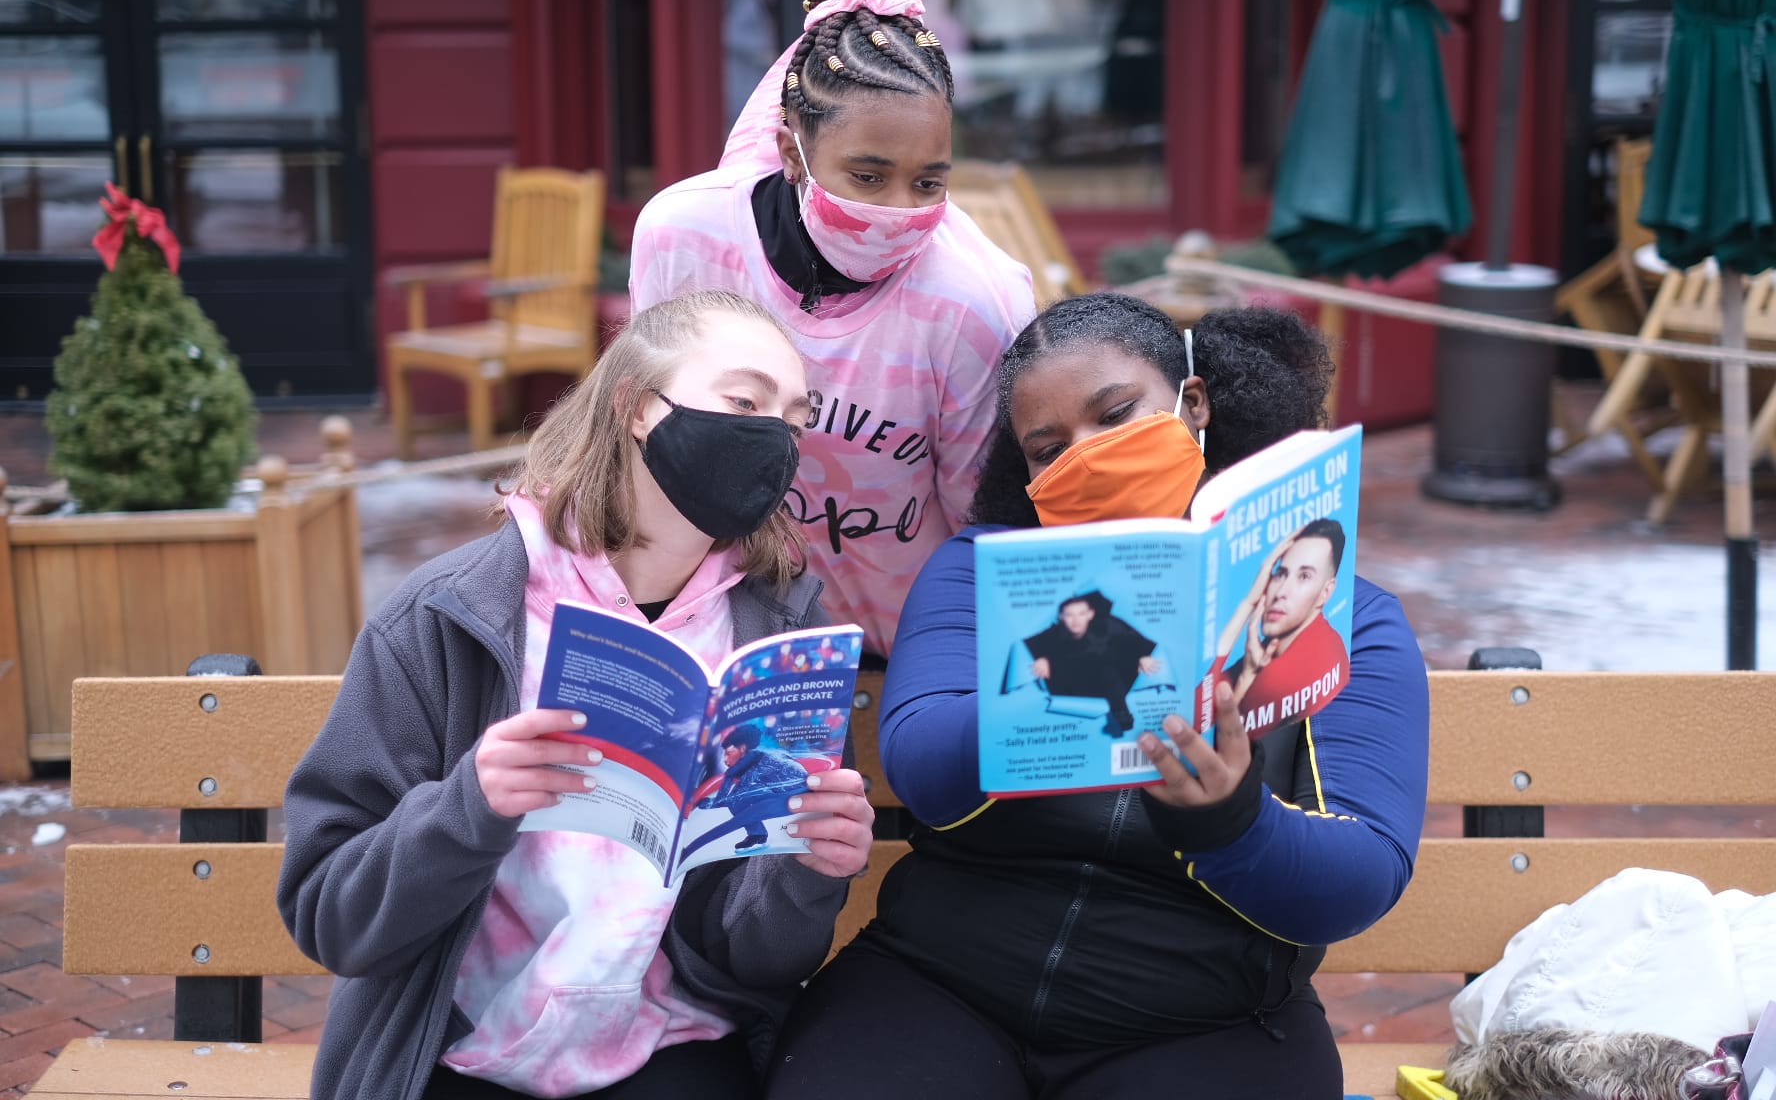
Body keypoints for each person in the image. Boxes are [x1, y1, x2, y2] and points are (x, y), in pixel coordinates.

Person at [765, 294, 1430, 1100]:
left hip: (1208, 1020)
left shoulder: (1332, 611)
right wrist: (1048, 684)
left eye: (1115, 415)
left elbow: (1360, 873)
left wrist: (1227, 820)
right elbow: (923, 765)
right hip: (943, 985)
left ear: (1193, 404)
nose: (1085, 456)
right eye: (1048, 449)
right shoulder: (984, 570)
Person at [278, 291, 874, 1100]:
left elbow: (754, 960)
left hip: (668, 1033)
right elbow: (333, 919)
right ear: (636, 408)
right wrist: (470, 806)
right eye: (743, 402)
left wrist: (809, 869)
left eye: (795, 420)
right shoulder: (447, 615)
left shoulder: (777, 638)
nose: (773, 438)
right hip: (456, 1041)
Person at [629, 0, 1037, 659]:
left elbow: (987, 524)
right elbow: (637, 439)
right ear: (792, 153)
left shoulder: (975, 304)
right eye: (869, 177)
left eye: (929, 182)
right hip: (718, 635)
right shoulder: (684, 240)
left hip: (909, 652)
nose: (900, 210)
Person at [1215, 519, 1350, 724]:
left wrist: (1246, 679)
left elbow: (1200, 737)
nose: (1281, 592)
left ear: (1326, 592)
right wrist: (1250, 601)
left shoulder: (1292, 670)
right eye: (1280, 573)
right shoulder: (1269, 650)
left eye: (1304, 576)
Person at [1020, 591, 1161, 737]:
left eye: (1081, 614)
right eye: (1069, 615)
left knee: (1108, 669)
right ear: (1061, 617)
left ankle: (1121, 713)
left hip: (1110, 682)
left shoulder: (1108, 625)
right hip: (1074, 686)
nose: (1076, 620)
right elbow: (1029, 645)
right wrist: (1042, 658)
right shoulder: (1054, 632)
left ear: (1090, 614)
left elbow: (1137, 641)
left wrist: (1143, 656)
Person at [699, 723, 816, 851]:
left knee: (739, 798)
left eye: (728, 753)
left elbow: (740, 792)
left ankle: (756, 834)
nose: (725, 760)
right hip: (778, 790)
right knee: (738, 801)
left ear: (742, 749)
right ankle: (757, 835)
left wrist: (714, 803)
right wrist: (716, 800)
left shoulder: (763, 761)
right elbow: (730, 789)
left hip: (796, 792)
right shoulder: (750, 761)